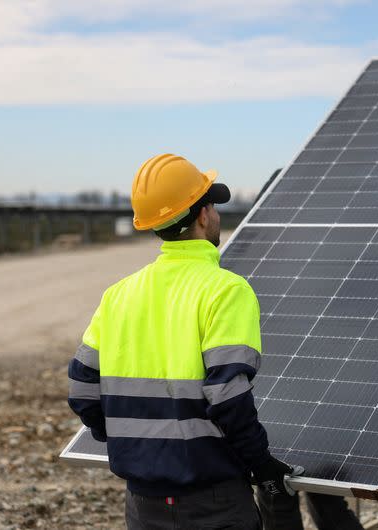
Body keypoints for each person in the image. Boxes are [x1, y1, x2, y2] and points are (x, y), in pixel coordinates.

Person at [68, 153, 301, 529]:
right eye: (213, 205)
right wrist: (261, 465)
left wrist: (132, 442)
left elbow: (82, 387)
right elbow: (227, 394)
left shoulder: (119, 295)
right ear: (204, 214)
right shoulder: (226, 290)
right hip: (214, 501)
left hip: (143, 501)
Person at [252, 167, 365, 530]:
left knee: (290, 499)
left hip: (298, 399)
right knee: (298, 497)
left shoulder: (259, 261)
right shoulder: (327, 250)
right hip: (293, 399)